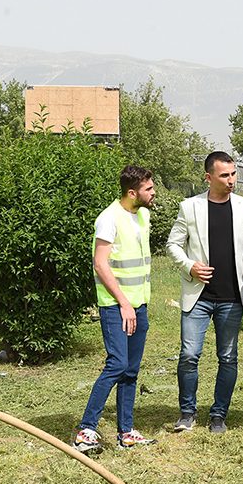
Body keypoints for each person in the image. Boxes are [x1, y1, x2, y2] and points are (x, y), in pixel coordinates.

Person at [165, 151, 243, 434]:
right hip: (198, 297)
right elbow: (173, 245)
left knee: (228, 357)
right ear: (209, 177)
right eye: (224, 175)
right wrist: (189, 266)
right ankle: (187, 413)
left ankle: (219, 414)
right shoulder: (189, 207)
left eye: (233, 174)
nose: (232, 180)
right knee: (189, 355)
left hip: (232, 297)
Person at [74, 165, 158, 454]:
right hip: (116, 305)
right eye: (149, 188)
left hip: (139, 304)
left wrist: (137, 303)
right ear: (132, 192)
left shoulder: (144, 215)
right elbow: (100, 263)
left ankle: (126, 432)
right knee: (118, 364)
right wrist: (123, 303)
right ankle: (86, 429)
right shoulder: (108, 219)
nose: (153, 192)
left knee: (131, 370)